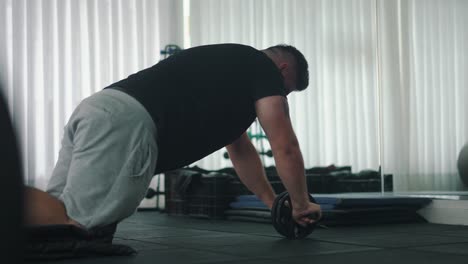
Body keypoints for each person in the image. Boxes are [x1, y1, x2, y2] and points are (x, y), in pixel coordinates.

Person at [24, 43, 322, 230]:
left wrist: (273, 204)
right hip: (126, 124)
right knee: (78, 227)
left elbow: (241, 151)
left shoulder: (229, 67)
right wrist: (301, 203)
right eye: (285, 90)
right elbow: (285, 146)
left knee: (56, 214)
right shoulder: (263, 69)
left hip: (98, 108)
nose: (281, 97)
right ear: (282, 69)